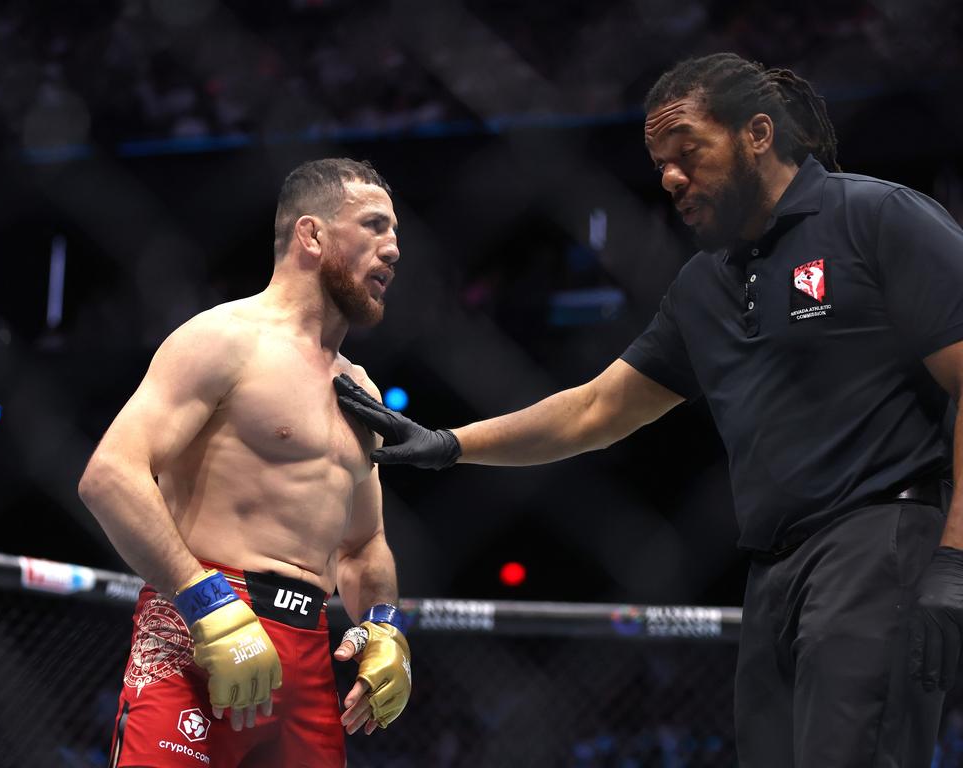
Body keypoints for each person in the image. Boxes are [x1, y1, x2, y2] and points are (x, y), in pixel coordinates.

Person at [334, 53, 963, 767]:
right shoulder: (706, 285)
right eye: (660, 162)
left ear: (757, 133)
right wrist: (451, 444)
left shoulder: (875, 219)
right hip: (775, 570)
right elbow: (596, 408)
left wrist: (956, 559)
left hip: (881, 539)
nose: (669, 178)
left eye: (688, 152)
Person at [79, 158, 411, 768]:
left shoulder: (361, 391)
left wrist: (387, 628)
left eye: (394, 234)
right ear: (311, 235)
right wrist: (210, 608)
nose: (392, 249)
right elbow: (111, 474)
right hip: (197, 626)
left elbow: (364, 546)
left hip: (310, 648)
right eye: (373, 227)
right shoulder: (225, 339)